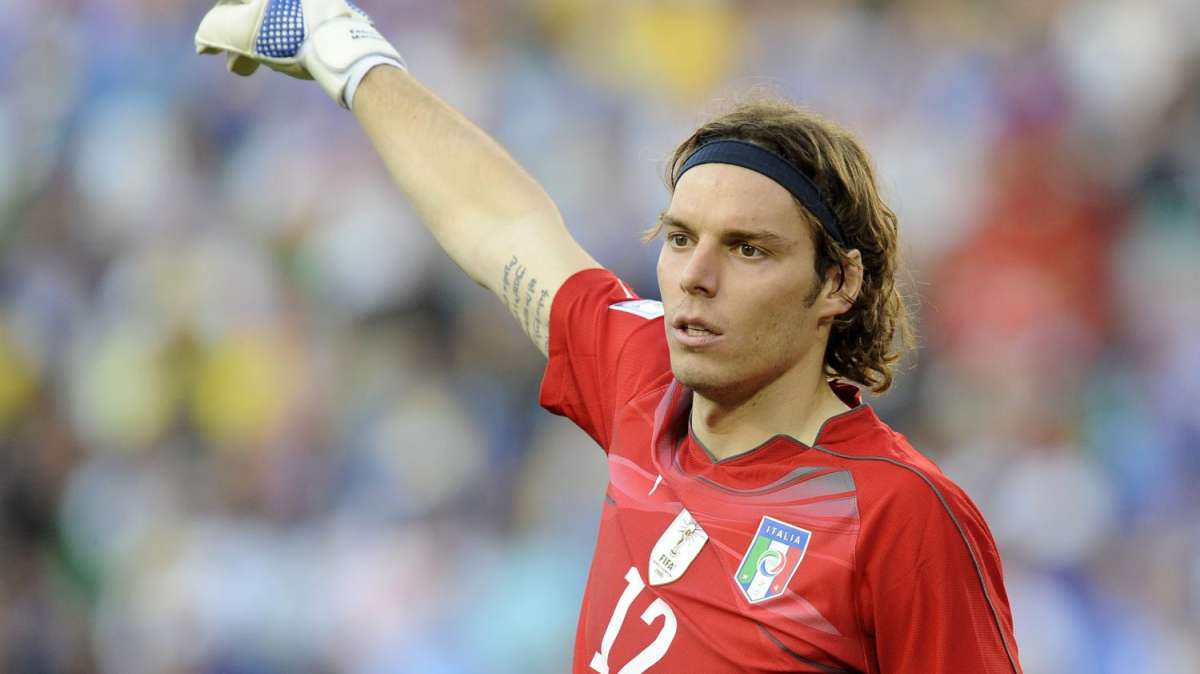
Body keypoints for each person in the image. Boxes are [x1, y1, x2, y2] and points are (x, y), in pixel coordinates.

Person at [195, 2, 1023, 672]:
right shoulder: (645, 377)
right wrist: (344, 49)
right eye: (679, 239)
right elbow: (501, 225)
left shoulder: (897, 514)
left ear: (838, 283)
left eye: (748, 249)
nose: (696, 276)